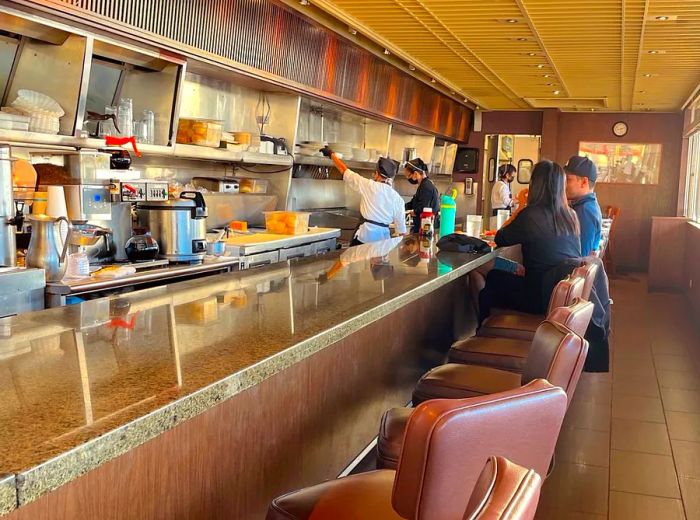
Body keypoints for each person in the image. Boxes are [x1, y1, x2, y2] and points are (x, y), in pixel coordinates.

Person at [478, 160, 581, 323]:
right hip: (559, 296)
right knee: (500, 273)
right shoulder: (571, 216)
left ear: (535, 184)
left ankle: (484, 331)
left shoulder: (532, 215)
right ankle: (487, 329)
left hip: (538, 296)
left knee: (492, 276)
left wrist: (521, 208)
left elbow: (500, 238)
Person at [320, 146, 406, 245]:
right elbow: (401, 232)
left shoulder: (369, 185)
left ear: (377, 174)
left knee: (355, 260)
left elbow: (345, 171)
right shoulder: (398, 199)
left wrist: (331, 155)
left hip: (364, 238)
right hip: (383, 243)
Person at [564, 155, 603, 256]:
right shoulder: (588, 205)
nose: (563, 184)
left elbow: (581, 257)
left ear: (584, 182)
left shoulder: (585, 211)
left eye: (568, 180)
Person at [403, 158, 440, 233]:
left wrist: (414, 212)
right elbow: (413, 203)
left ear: (416, 174)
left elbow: (424, 208)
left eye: (409, 176)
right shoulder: (423, 186)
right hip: (421, 227)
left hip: (426, 229)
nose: (408, 178)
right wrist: (400, 208)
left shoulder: (426, 187)